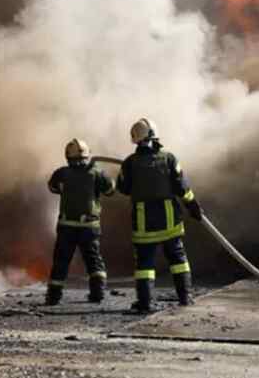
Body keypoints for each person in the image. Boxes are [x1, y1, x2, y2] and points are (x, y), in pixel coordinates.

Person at [116, 118, 203, 313]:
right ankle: (185, 298)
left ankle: (145, 303)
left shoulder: (129, 163)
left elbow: (123, 189)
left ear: (135, 139)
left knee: (145, 265)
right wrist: (193, 206)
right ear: (156, 137)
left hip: (144, 223)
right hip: (169, 220)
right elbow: (182, 188)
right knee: (178, 259)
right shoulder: (169, 159)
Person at [45, 139, 116, 306]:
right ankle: (97, 293)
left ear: (68, 156)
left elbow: (53, 188)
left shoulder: (61, 173)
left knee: (61, 261)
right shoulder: (97, 173)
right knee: (93, 260)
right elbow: (110, 190)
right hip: (89, 227)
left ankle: (53, 297)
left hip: (66, 226)